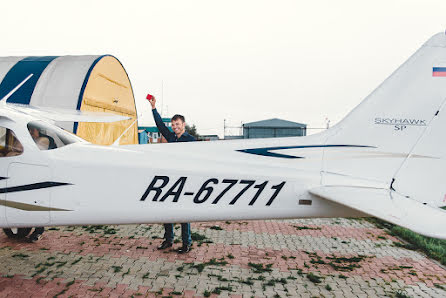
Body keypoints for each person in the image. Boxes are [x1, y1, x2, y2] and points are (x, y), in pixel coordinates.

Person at [147, 94, 195, 254]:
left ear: (184, 124)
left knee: (183, 214)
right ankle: (168, 240)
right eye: (173, 124)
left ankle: (186, 243)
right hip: (170, 180)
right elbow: (160, 126)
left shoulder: (191, 141)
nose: (175, 127)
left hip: (184, 181)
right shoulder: (171, 137)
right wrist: (154, 108)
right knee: (166, 211)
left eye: (177, 124)